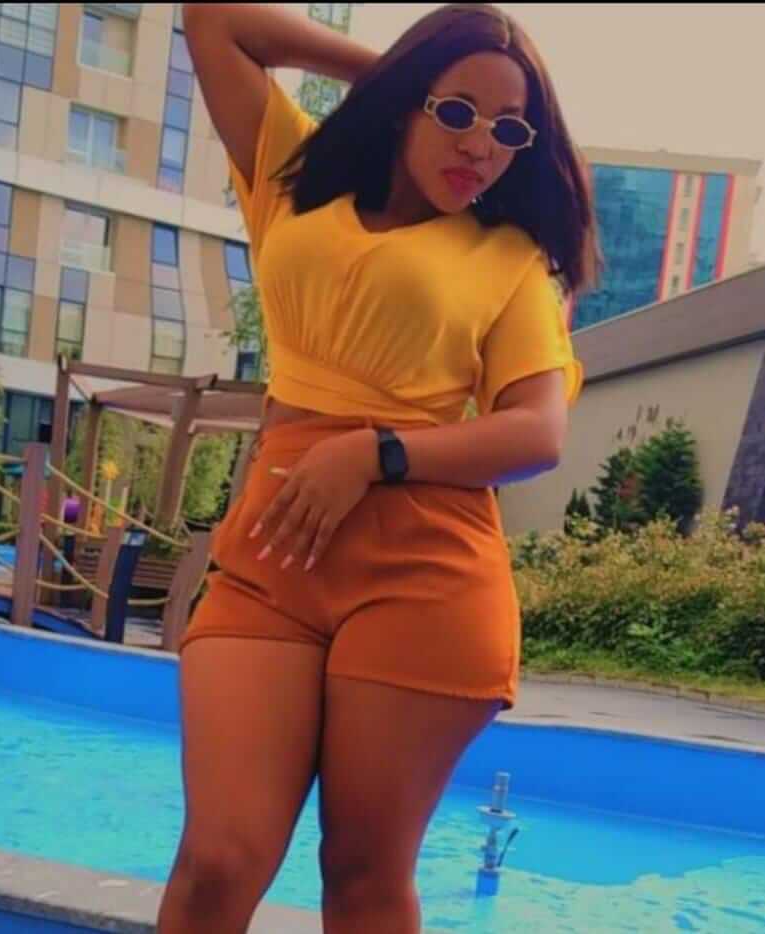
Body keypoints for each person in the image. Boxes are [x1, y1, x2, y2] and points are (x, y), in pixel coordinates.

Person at [159, 4, 600, 932]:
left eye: (508, 130)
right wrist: (394, 76)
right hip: (274, 556)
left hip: (422, 570)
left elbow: (536, 432)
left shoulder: (511, 259)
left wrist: (374, 453)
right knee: (217, 859)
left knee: (361, 872)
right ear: (404, 102)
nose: (478, 145)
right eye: (457, 113)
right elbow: (215, 20)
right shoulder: (293, 177)